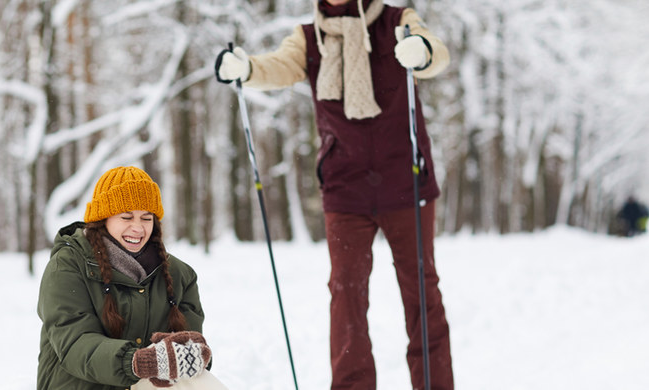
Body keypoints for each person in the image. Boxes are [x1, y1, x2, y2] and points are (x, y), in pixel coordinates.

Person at [214, 0, 454, 389]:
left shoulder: (397, 20)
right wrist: (248, 69)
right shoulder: (309, 37)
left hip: (406, 185)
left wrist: (423, 52)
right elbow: (279, 65)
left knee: (421, 293)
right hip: (345, 188)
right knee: (346, 299)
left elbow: (435, 50)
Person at [37, 166, 226, 390]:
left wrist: (192, 353)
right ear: (103, 218)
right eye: (126, 216)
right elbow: (74, 343)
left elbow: (188, 344)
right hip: (81, 385)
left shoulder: (178, 274)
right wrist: (138, 363)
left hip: (146, 385)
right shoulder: (68, 266)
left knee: (201, 383)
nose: (137, 228)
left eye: (146, 218)